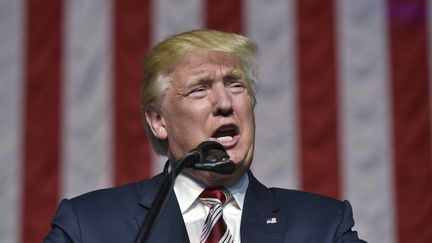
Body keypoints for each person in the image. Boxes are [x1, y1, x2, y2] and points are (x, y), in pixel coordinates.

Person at [45, 29, 367, 243]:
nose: (225, 103)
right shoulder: (89, 226)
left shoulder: (323, 226)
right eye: (200, 90)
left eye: (235, 85)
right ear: (159, 121)